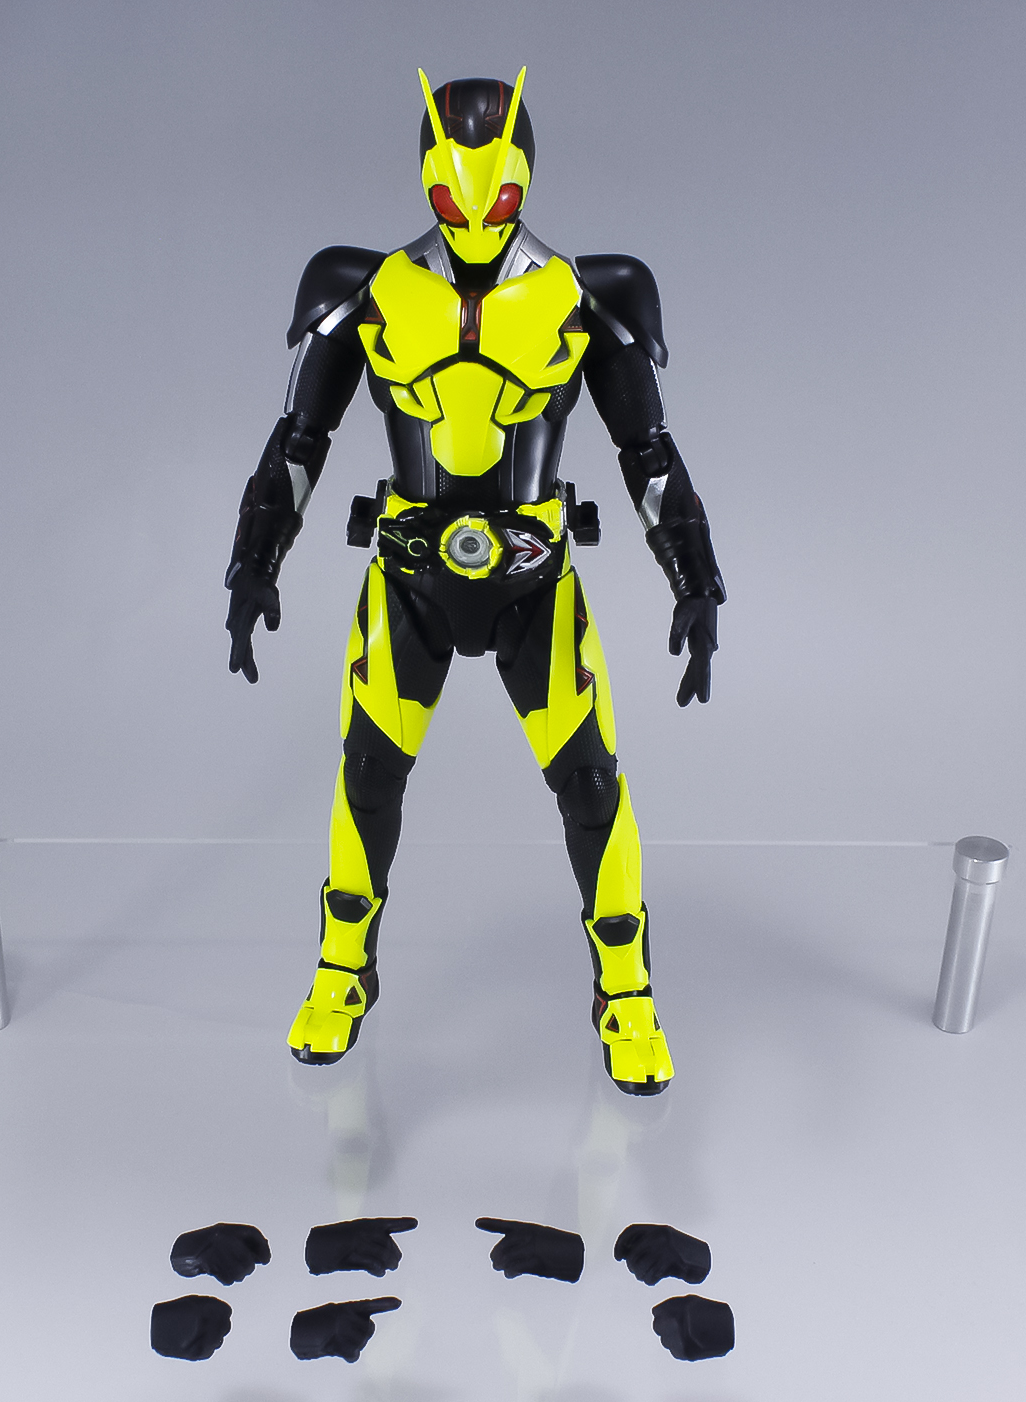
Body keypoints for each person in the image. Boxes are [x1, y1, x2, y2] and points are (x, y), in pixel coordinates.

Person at [224, 70, 724, 1095]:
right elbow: (299, 439)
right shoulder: (365, 290)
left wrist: (695, 578)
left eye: (495, 190)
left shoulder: (586, 296)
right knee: (368, 777)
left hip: (536, 582)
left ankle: (626, 990)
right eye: (454, 191)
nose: (476, 212)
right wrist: (254, 563)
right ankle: (342, 972)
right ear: (426, 179)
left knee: (591, 785)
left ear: (524, 177)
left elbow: (648, 452)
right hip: (407, 578)